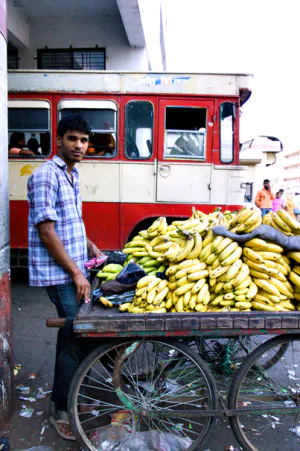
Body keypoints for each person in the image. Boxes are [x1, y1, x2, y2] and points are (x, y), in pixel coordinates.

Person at [27, 114, 103, 440]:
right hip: (59, 274)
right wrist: (76, 273)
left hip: (75, 268)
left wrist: (92, 248)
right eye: (72, 139)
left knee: (71, 334)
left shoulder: (72, 176)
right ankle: (61, 409)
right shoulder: (46, 176)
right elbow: (46, 230)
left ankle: (67, 397)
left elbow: (71, 221)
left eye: (84, 140)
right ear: (59, 140)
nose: (79, 146)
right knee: (78, 333)